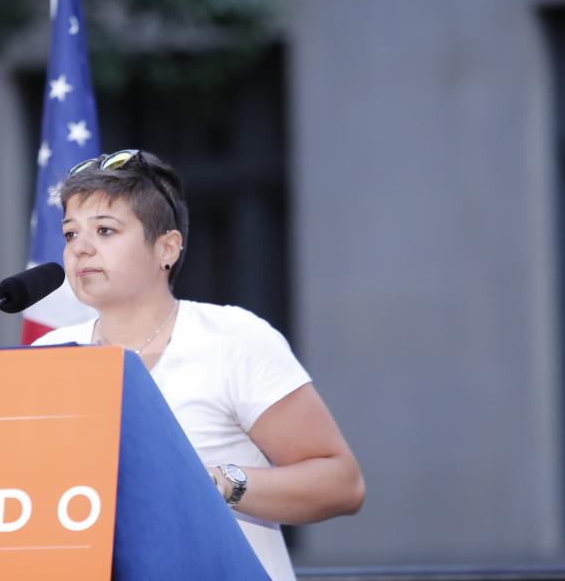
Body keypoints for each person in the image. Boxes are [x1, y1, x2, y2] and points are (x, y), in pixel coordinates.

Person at [32, 149, 365, 581]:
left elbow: (341, 484)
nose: (81, 249)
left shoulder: (232, 338)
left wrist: (218, 483)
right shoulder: (49, 354)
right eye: (71, 233)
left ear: (166, 247)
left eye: (106, 230)